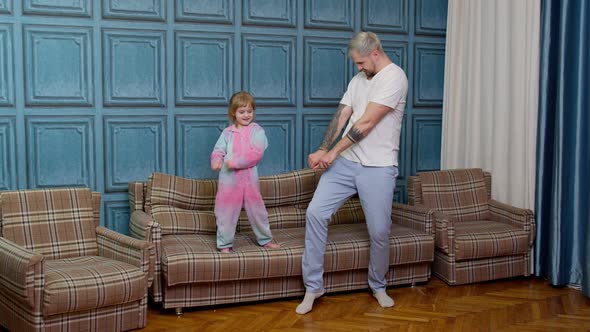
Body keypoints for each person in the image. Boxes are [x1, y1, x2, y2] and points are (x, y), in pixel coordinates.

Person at [296, 31, 408, 314]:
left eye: (360, 62)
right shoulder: (359, 79)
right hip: (346, 163)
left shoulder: (395, 77)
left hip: (379, 167)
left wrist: (331, 154)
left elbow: (367, 122)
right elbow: (343, 115)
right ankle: (313, 287)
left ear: (375, 53)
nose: (358, 68)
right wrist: (324, 148)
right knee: (316, 213)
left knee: (379, 231)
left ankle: (378, 285)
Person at [211, 91, 280, 253]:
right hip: (228, 181)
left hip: (249, 181)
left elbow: (256, 154)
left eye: (250, 111)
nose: (246, 115)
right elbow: (218, 149)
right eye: (242, 112)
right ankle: (224, 244)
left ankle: (265, 240)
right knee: (225, 211)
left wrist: (234, 162)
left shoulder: (257, 131)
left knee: (257, 211)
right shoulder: (227, 132)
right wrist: (216, 161)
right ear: (233, 113)